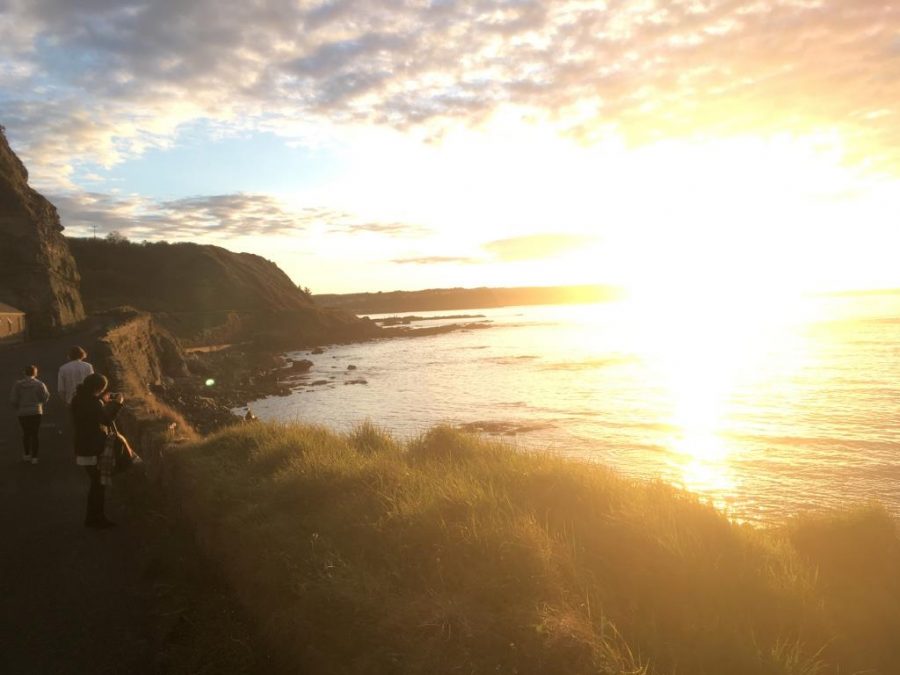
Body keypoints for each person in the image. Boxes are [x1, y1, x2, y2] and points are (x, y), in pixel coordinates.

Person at [71, 373, 123, 528]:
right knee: (98, 484)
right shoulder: (93, 403)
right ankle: (96, 519)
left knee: (96, 483)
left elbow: (92, 415)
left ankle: (92, 517)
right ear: (99, 388)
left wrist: (101, 400)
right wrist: (118, 403)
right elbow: (106, 420)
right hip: (93, 448)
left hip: (82, 445)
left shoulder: (78, 398)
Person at [9, 365, 51, 464]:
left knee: (26, 433)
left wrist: (18, 407)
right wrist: (40, 403)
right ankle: (35, 457)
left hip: (23, 412)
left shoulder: (18, 385)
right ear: (35, 373)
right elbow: (45, 396)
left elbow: (13, 399)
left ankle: (27, 454)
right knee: (35, 434)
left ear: (24, 373)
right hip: (36, 411)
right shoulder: (39, 384)